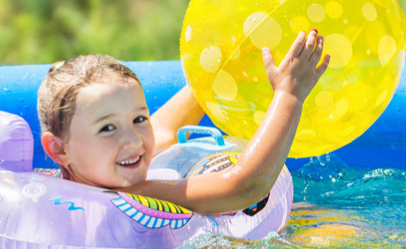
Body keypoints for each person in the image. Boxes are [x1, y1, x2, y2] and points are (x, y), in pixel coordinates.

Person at [37, 30, 328, 214]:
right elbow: (245, 186)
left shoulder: (58, 183)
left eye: (139, 119)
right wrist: (289, 94)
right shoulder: (132, 196)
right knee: (335, 227)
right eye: (107, 128)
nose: (135, 141)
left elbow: (161, 130)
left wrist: (216, 76)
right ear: (58, 149)